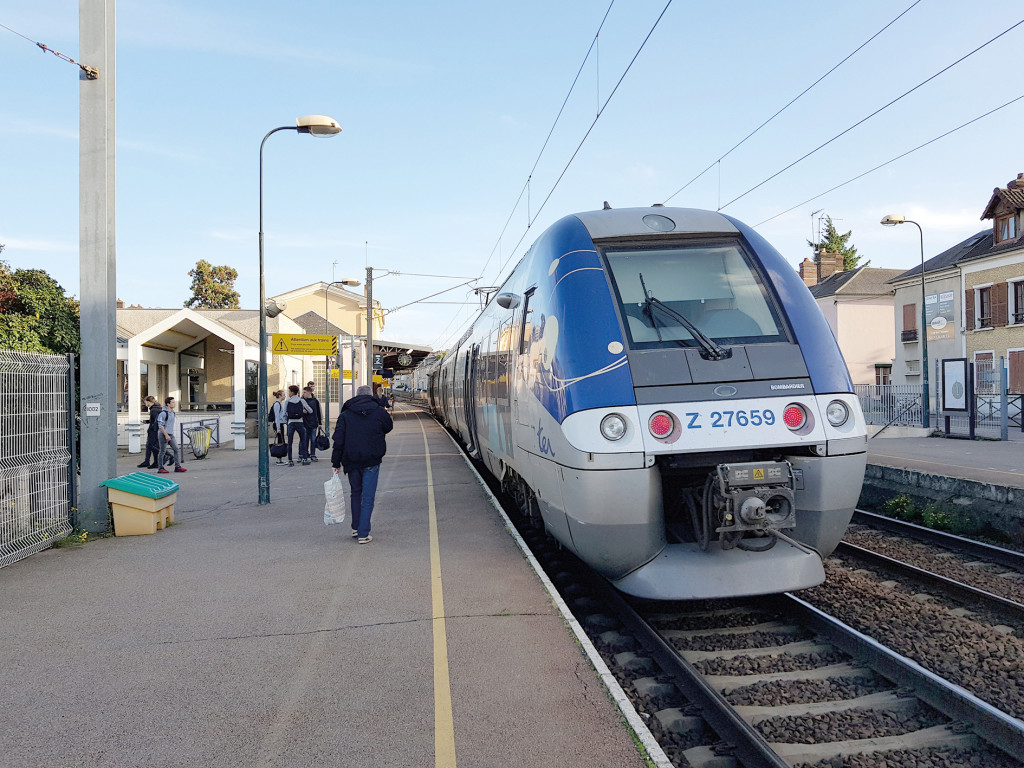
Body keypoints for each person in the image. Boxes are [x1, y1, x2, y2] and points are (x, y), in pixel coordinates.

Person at [331, 384, 393, 544]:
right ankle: (363, 533)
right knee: (367, 496)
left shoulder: (345, 414)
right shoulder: (379, 410)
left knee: (355, 493)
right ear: (370, 395)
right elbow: (389, 426)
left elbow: (338, 439)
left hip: (351, 459)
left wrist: (335, 462)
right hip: (372, 459)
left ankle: (356, 527)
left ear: (357, 396)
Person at [284, 384, 314, 466]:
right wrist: (304, 411)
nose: (288, 393)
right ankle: (304, 459)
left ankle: (290, 460)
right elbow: (310, 410)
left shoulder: (287, 401)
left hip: (291, 423)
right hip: (300, 422)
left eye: (289, 392)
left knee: (290, 442)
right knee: (303, 440)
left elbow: (283, 414)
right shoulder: (301, 401)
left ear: (292, 392)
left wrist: (286, 420)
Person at [156, 396, 187, 474]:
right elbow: (160, 426)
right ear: (168, 404)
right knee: (162, 451)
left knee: (176, 449)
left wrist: (169, 434)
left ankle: (177, 466)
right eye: (173, 402)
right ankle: (160, 468)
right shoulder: (163, 413)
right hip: (163, 434)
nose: (174, 404)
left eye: (174, 402)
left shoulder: (173, 412)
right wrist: (166, 435)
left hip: (170, 433)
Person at [137, 395, 162, 468]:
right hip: (157, 430)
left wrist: (151, 427)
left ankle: (166, 456)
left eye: (145, 402)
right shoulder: (158, 407)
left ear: (148, 402)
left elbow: (155, 420)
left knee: (150, 446)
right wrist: (148, 421)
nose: (145, 404)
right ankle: (155, 462)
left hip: (153, 431)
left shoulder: (153, 410)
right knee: (154, 446)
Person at [301, 385, 323, 462]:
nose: (303, 394)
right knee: (305, 439)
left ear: (309, 392)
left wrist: (320, 422)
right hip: (305, 423)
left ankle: (313, 454)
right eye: (303, 392)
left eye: (305, 392)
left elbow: (318, 412)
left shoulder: (315, 401)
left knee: (313, 440)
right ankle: (305, 453)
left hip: (313, 422)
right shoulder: (301, 401)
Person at [270, 390, 287, 465]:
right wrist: (278, 428)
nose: (285, 396)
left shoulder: (280, 404)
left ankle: (280, 459)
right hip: (278, 424)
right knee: (280, 441)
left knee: (281, 441)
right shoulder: (277, 404)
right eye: (283, 395)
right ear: (280, 396)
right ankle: (278, 459)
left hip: (280, 424)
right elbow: (277, 417)